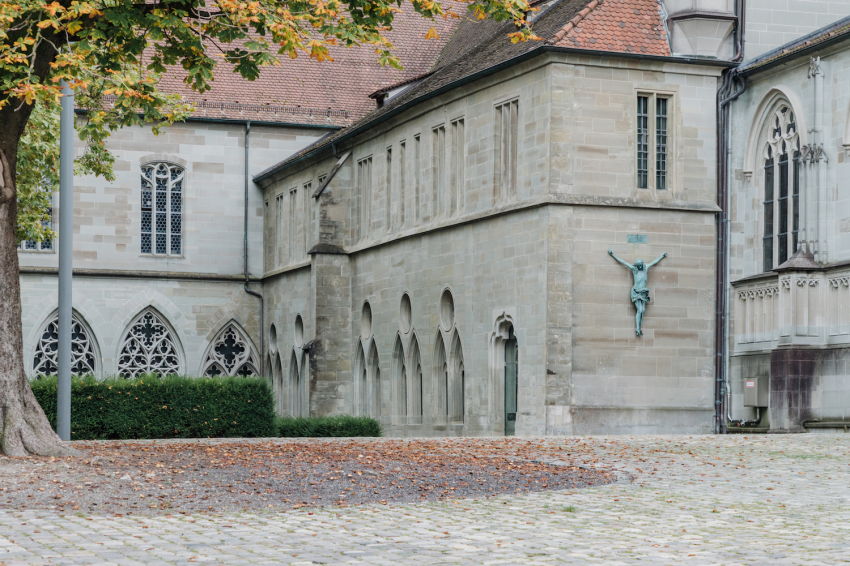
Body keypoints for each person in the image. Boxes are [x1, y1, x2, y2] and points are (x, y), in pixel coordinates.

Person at [608, 250, 667, 336]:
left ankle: (639, 328)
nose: (639, 267)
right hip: (636, 291)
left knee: (642, 310)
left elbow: (654, 262)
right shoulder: (634, 270)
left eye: (640, 266)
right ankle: (637, 329)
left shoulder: (645, 268)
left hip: (643, 292)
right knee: (640, 310)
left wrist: (661, 256)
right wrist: (613, 255)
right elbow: (623, 262)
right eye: (638, 266)